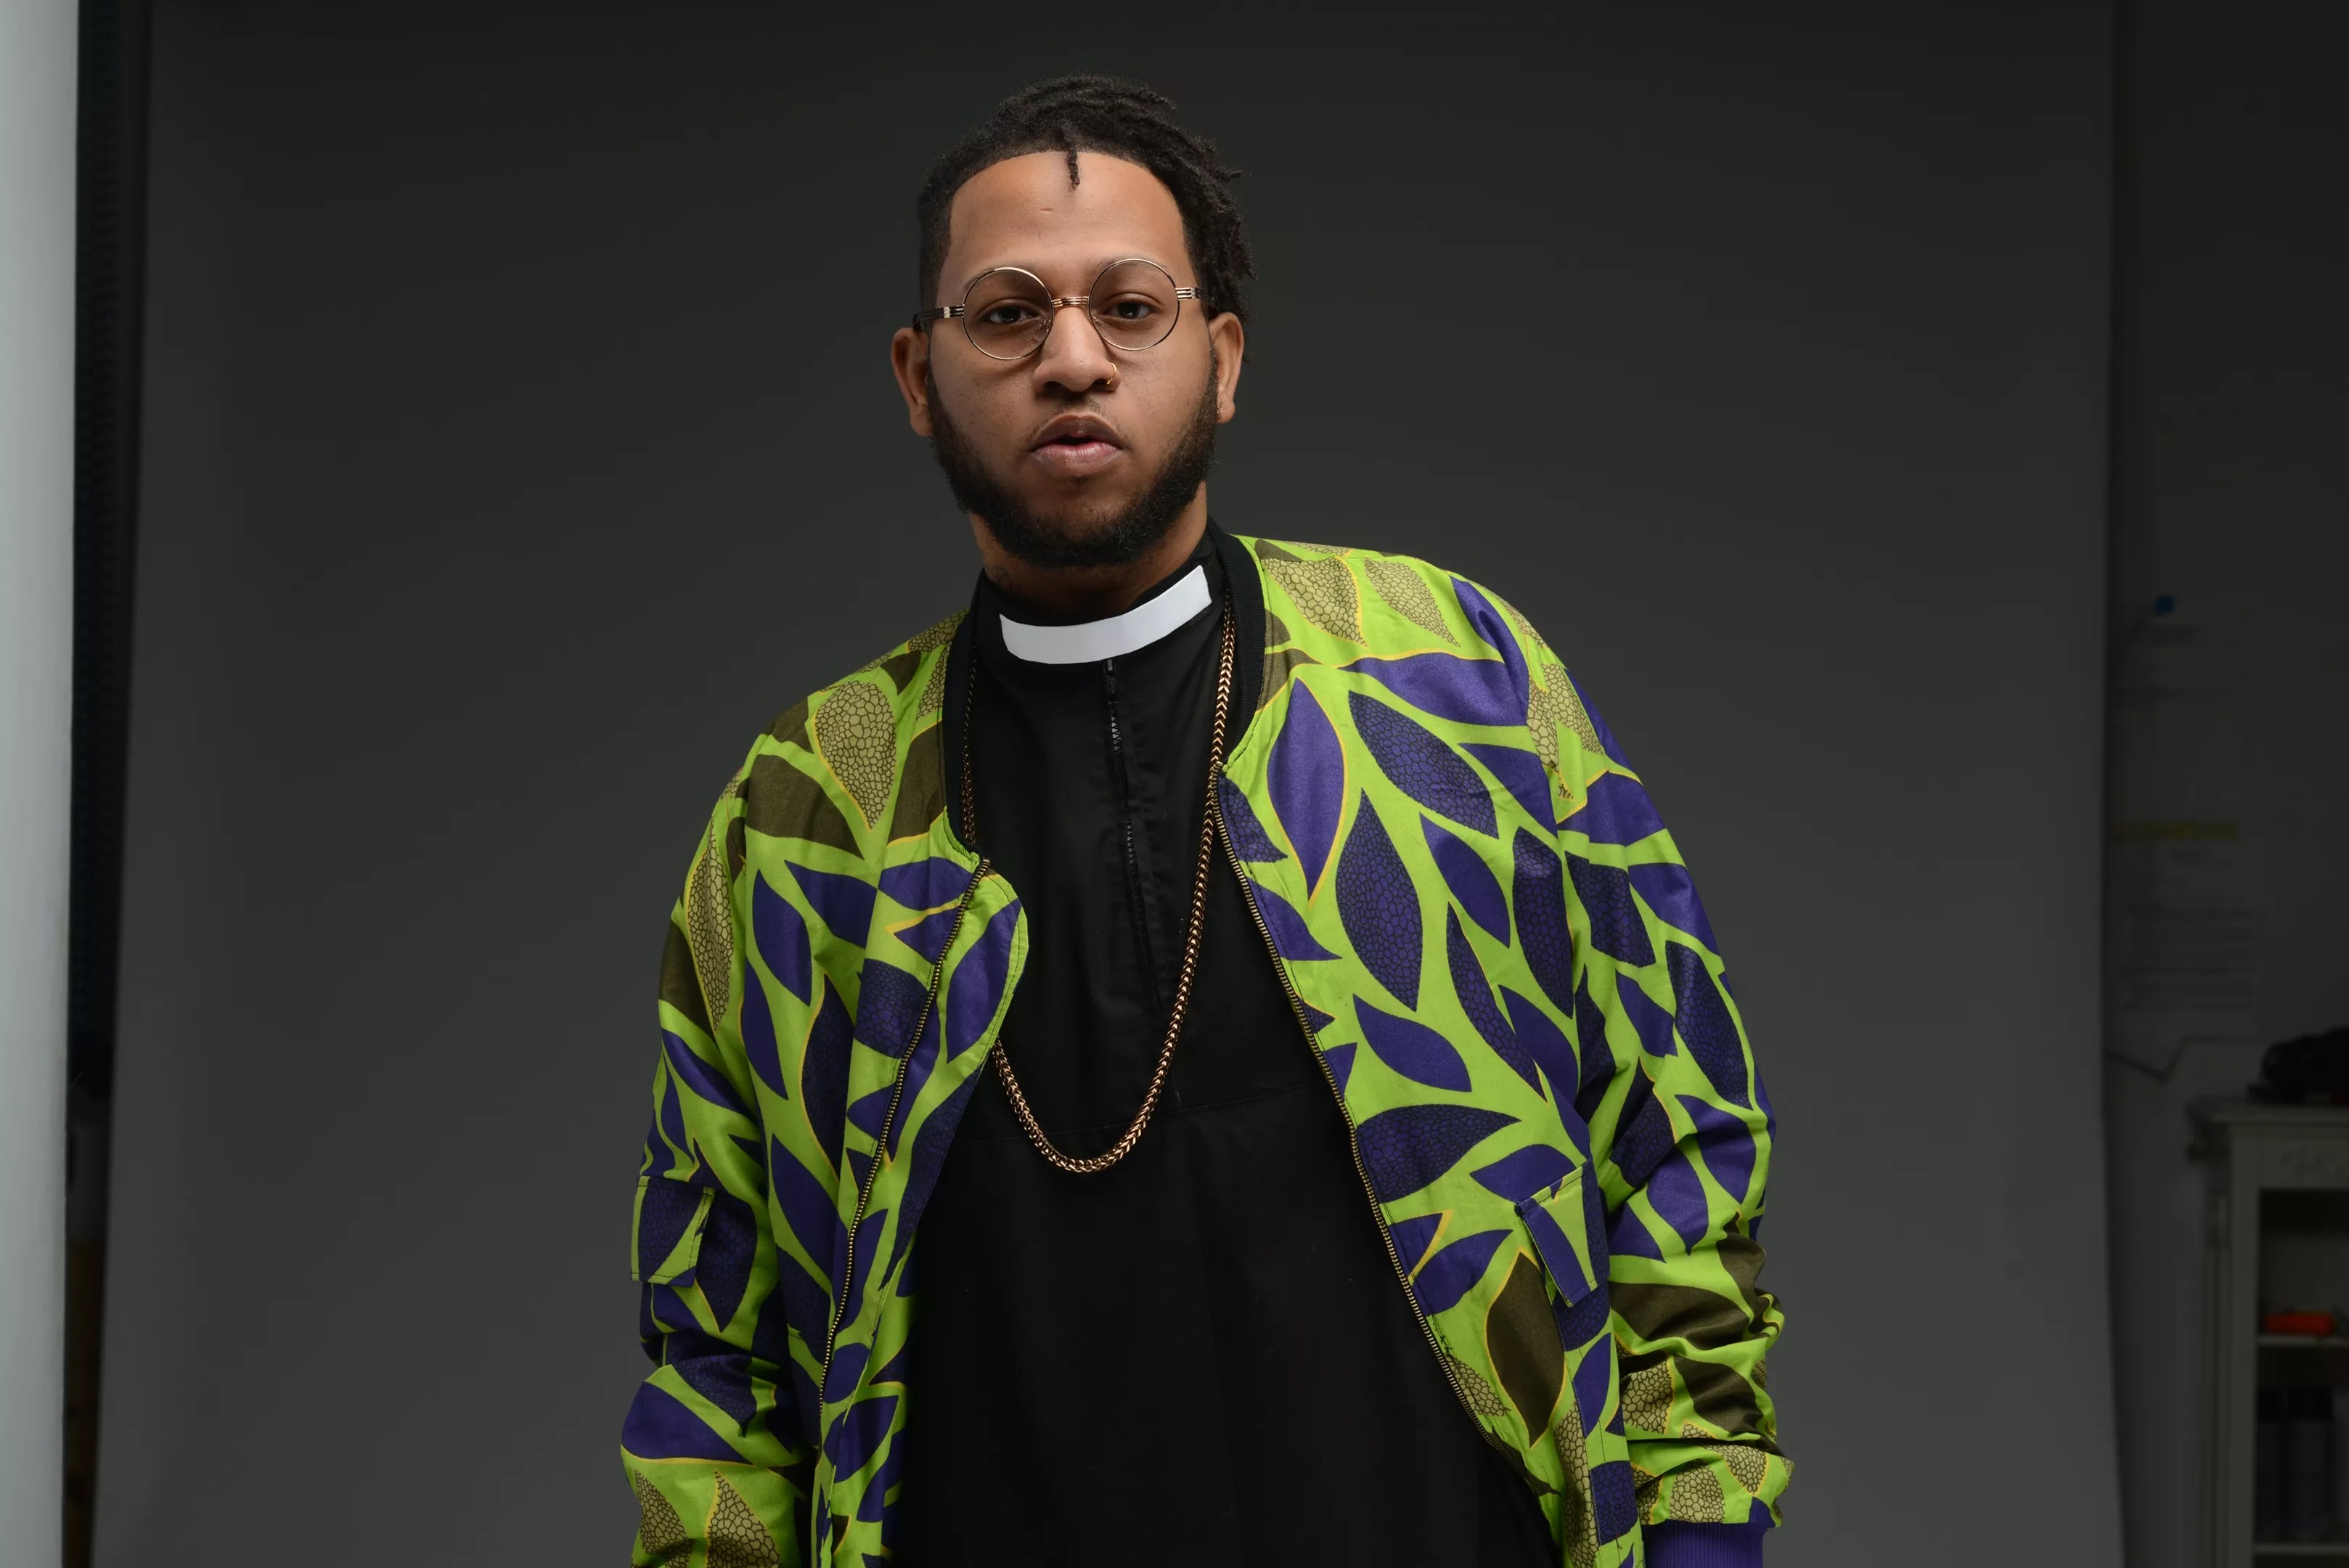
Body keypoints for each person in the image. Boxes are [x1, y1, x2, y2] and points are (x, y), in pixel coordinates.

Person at [618, 75, 1788, 1568]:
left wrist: (1704, 1542)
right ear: (918, 377)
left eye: (1131, 307)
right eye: (1006, 314)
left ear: (1221, 359)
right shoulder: (807, 805)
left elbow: (1679, 1140)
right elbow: (714, 1340)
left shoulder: (1455, 679)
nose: (1072, 360)